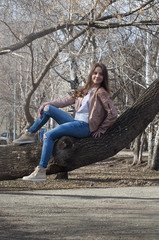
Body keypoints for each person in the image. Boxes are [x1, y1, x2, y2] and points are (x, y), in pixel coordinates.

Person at [14, 62, 117, 181]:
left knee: (48, 135)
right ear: (91, 74)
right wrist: (47, 103)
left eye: (101, 74)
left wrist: (101, 129)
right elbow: (65, 101)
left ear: (104, 77)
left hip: (85, 127)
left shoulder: (101, 92)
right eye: (95, 73)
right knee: (47, 109)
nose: (97, 76)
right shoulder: (85, 90)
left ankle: (41, 171)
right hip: (75, 122)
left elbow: (113, 114)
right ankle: (31, 134)